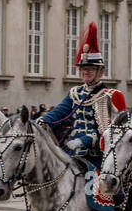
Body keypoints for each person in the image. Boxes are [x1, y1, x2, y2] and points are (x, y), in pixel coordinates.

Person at [40, 22, 125, 165]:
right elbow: (58, 112)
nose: (86, 72)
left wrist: (83, 140)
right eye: (84, 69)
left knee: (109, 182)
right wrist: (39, 122)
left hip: (98, 153)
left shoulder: (110, 96)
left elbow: (114, 131)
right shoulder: (75, 93)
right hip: (72, 148)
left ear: (100, 71)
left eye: (91, 69)